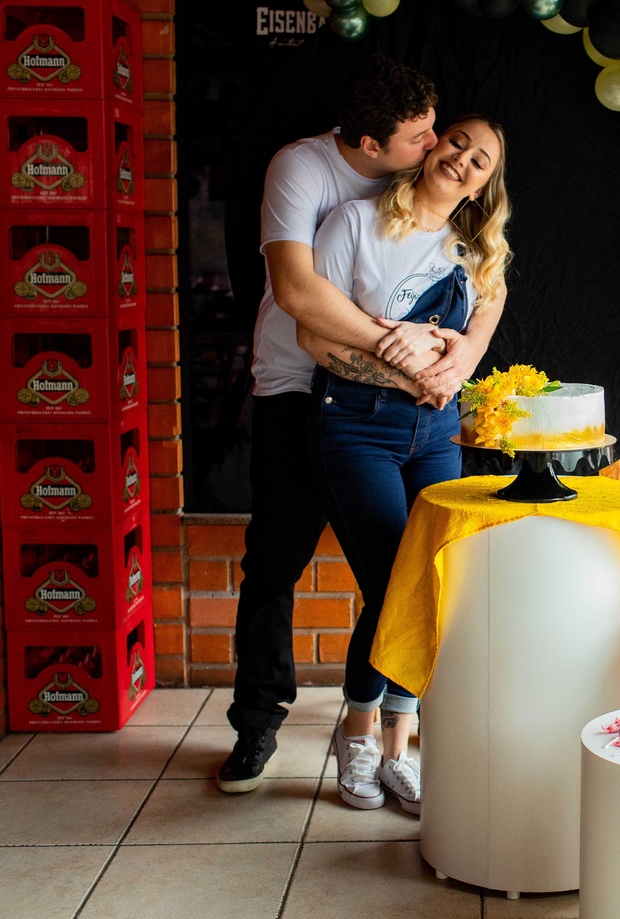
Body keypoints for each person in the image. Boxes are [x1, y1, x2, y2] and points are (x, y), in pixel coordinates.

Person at [217, 57, 456, 793]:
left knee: (399, 574)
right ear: (370, 145)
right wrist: (398, 349)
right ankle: (257, 724)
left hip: (391, 406)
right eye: (420, 136)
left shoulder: (425, 177)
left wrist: (454, 355)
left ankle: (385, 726)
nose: (436, 145)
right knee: (275, 562)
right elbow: (297, 290)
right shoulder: (303, 168)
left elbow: (486, 272)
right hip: (296, 389)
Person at [297, 117, 511, 813]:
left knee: (431, 582)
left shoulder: (476, 249)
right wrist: (407, 367)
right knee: (394, 582)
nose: (463, 161)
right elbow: (313, 337)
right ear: (431, 145)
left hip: (437, 433)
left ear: (484, 185)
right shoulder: (354, 224)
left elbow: (486, 315)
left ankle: (398, 750)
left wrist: (462, 355)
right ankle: (357, 735)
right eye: (458, 143)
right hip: (355, 424)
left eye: (481, 161)